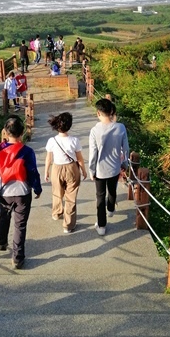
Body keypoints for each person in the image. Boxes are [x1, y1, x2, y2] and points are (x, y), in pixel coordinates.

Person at [0, 116, 42, 269]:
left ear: (5, 132)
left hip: (4, 191)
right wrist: (37, 188)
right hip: (22, 192)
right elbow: (32, 172)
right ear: (22, 132)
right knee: (20, 225)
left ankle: (2, 240)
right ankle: (17, 257)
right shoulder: (27, 152)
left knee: (4, 216)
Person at [89, 98, 129, 236]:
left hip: (100, 169)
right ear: (111, 111)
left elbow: (93, 153)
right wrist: (124, 164)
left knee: (100, 196)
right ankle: (111, 209)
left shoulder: (94, 130)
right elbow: (125, 150)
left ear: (98, 113)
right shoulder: (121, 127)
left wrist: (91, 170)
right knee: (112, 190)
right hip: (115, 167)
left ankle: (101, 226)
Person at [45, 112, 87, 233]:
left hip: (56, 168)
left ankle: (56, 212)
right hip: (71, 168)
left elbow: (49, 158)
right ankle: (68, 225)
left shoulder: (52, 141)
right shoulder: (74, 140)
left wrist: (46, 171)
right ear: (69, 125)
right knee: (71, 196)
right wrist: (83, 170)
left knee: (57, 192)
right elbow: (79, 158)